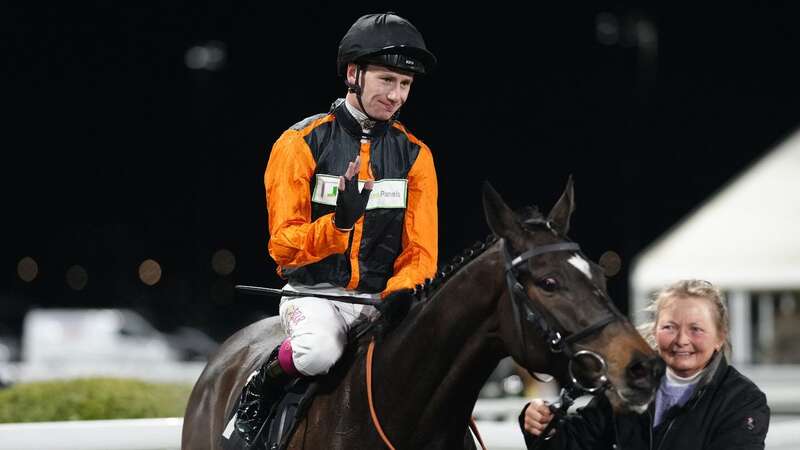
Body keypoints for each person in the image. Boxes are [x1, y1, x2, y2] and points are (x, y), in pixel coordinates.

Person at [262, 12, 438, 382]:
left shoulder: (417, 156)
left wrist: (401, 291)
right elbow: (282, 246)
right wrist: (338, 225)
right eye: (386, 79)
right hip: (314, 295)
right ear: (352, 74)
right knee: (317, 354)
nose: (396, 96)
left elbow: (420, 253)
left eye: (405, 84)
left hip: (380, 299)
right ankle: (261, 386)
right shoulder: (298, 143)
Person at [519, 279, 770, 450]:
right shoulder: (628, 386)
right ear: (655, 331)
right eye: (669, 327)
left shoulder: (743, 400)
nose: (682, 340)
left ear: (720, 337)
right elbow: (578, 443)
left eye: (696, 329)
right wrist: (542, 426)